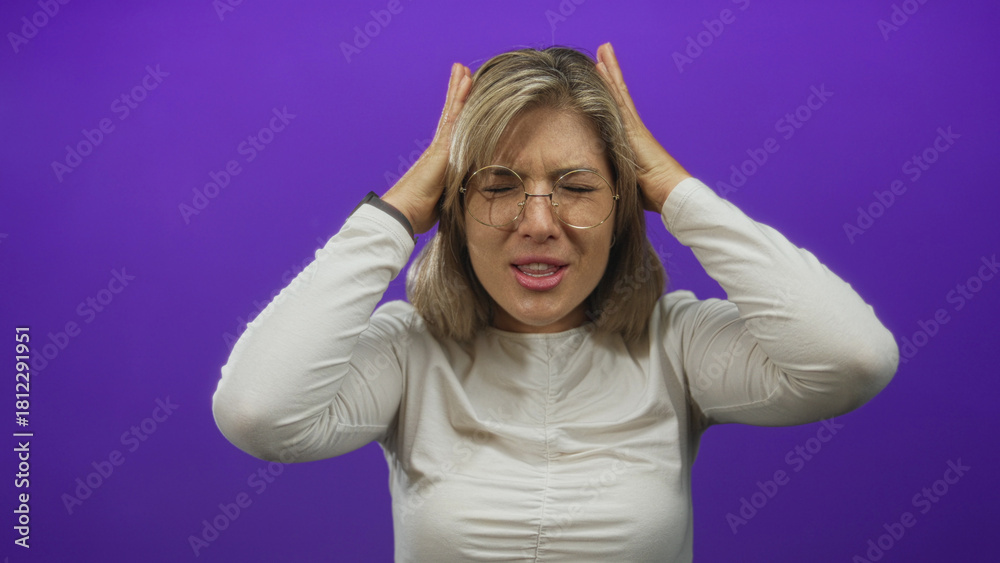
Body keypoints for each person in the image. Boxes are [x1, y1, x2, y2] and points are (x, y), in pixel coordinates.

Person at [212, 43, 898, 561]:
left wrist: (671, 185)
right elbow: (258, 412)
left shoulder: (677, 345)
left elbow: (853, 359)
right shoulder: (408, 350)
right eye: (499, 184)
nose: (538, 222)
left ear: (623, 206)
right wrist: (394, 214)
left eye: (576, 185)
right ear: (453, 205)